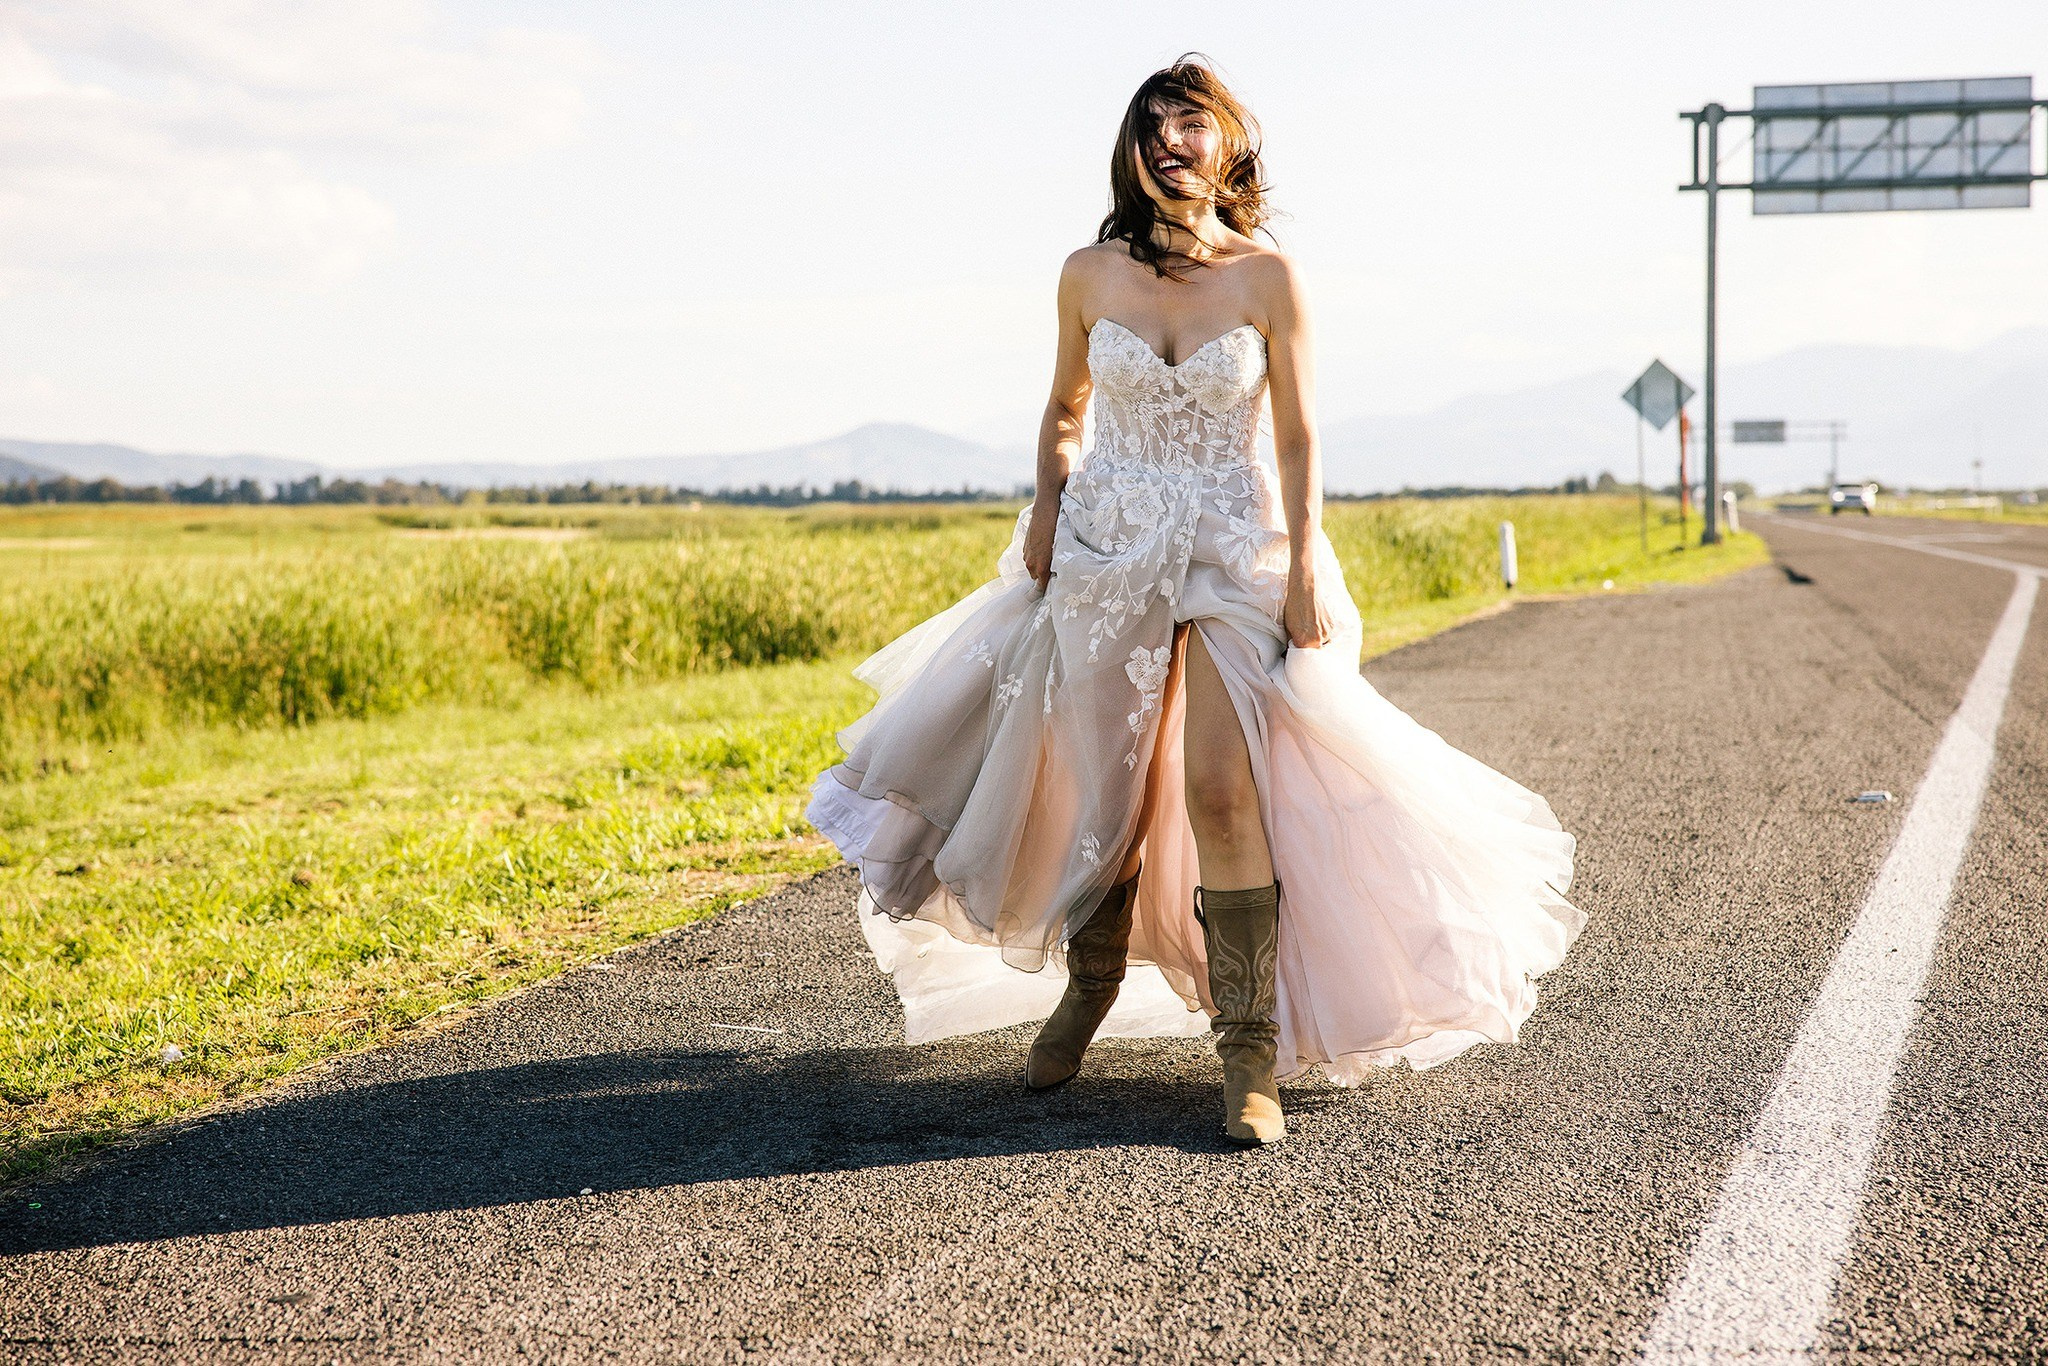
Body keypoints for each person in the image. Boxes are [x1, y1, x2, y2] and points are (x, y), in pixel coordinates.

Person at [806, 55, 1582, 1147]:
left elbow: (1300, 434)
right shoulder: (1086, 272)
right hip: (1108, 544)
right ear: (1129, 151)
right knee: (1100, 787)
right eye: (1151, 125)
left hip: (1232, 544)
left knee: (1220, 788)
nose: (1170, 139)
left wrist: (1307, 556)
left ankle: (1246, 1048)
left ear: (1227, 145)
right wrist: (1041, 509)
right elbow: (1064, 408)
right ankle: (1091, 981)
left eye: (1191, 123)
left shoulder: (1268, 279)